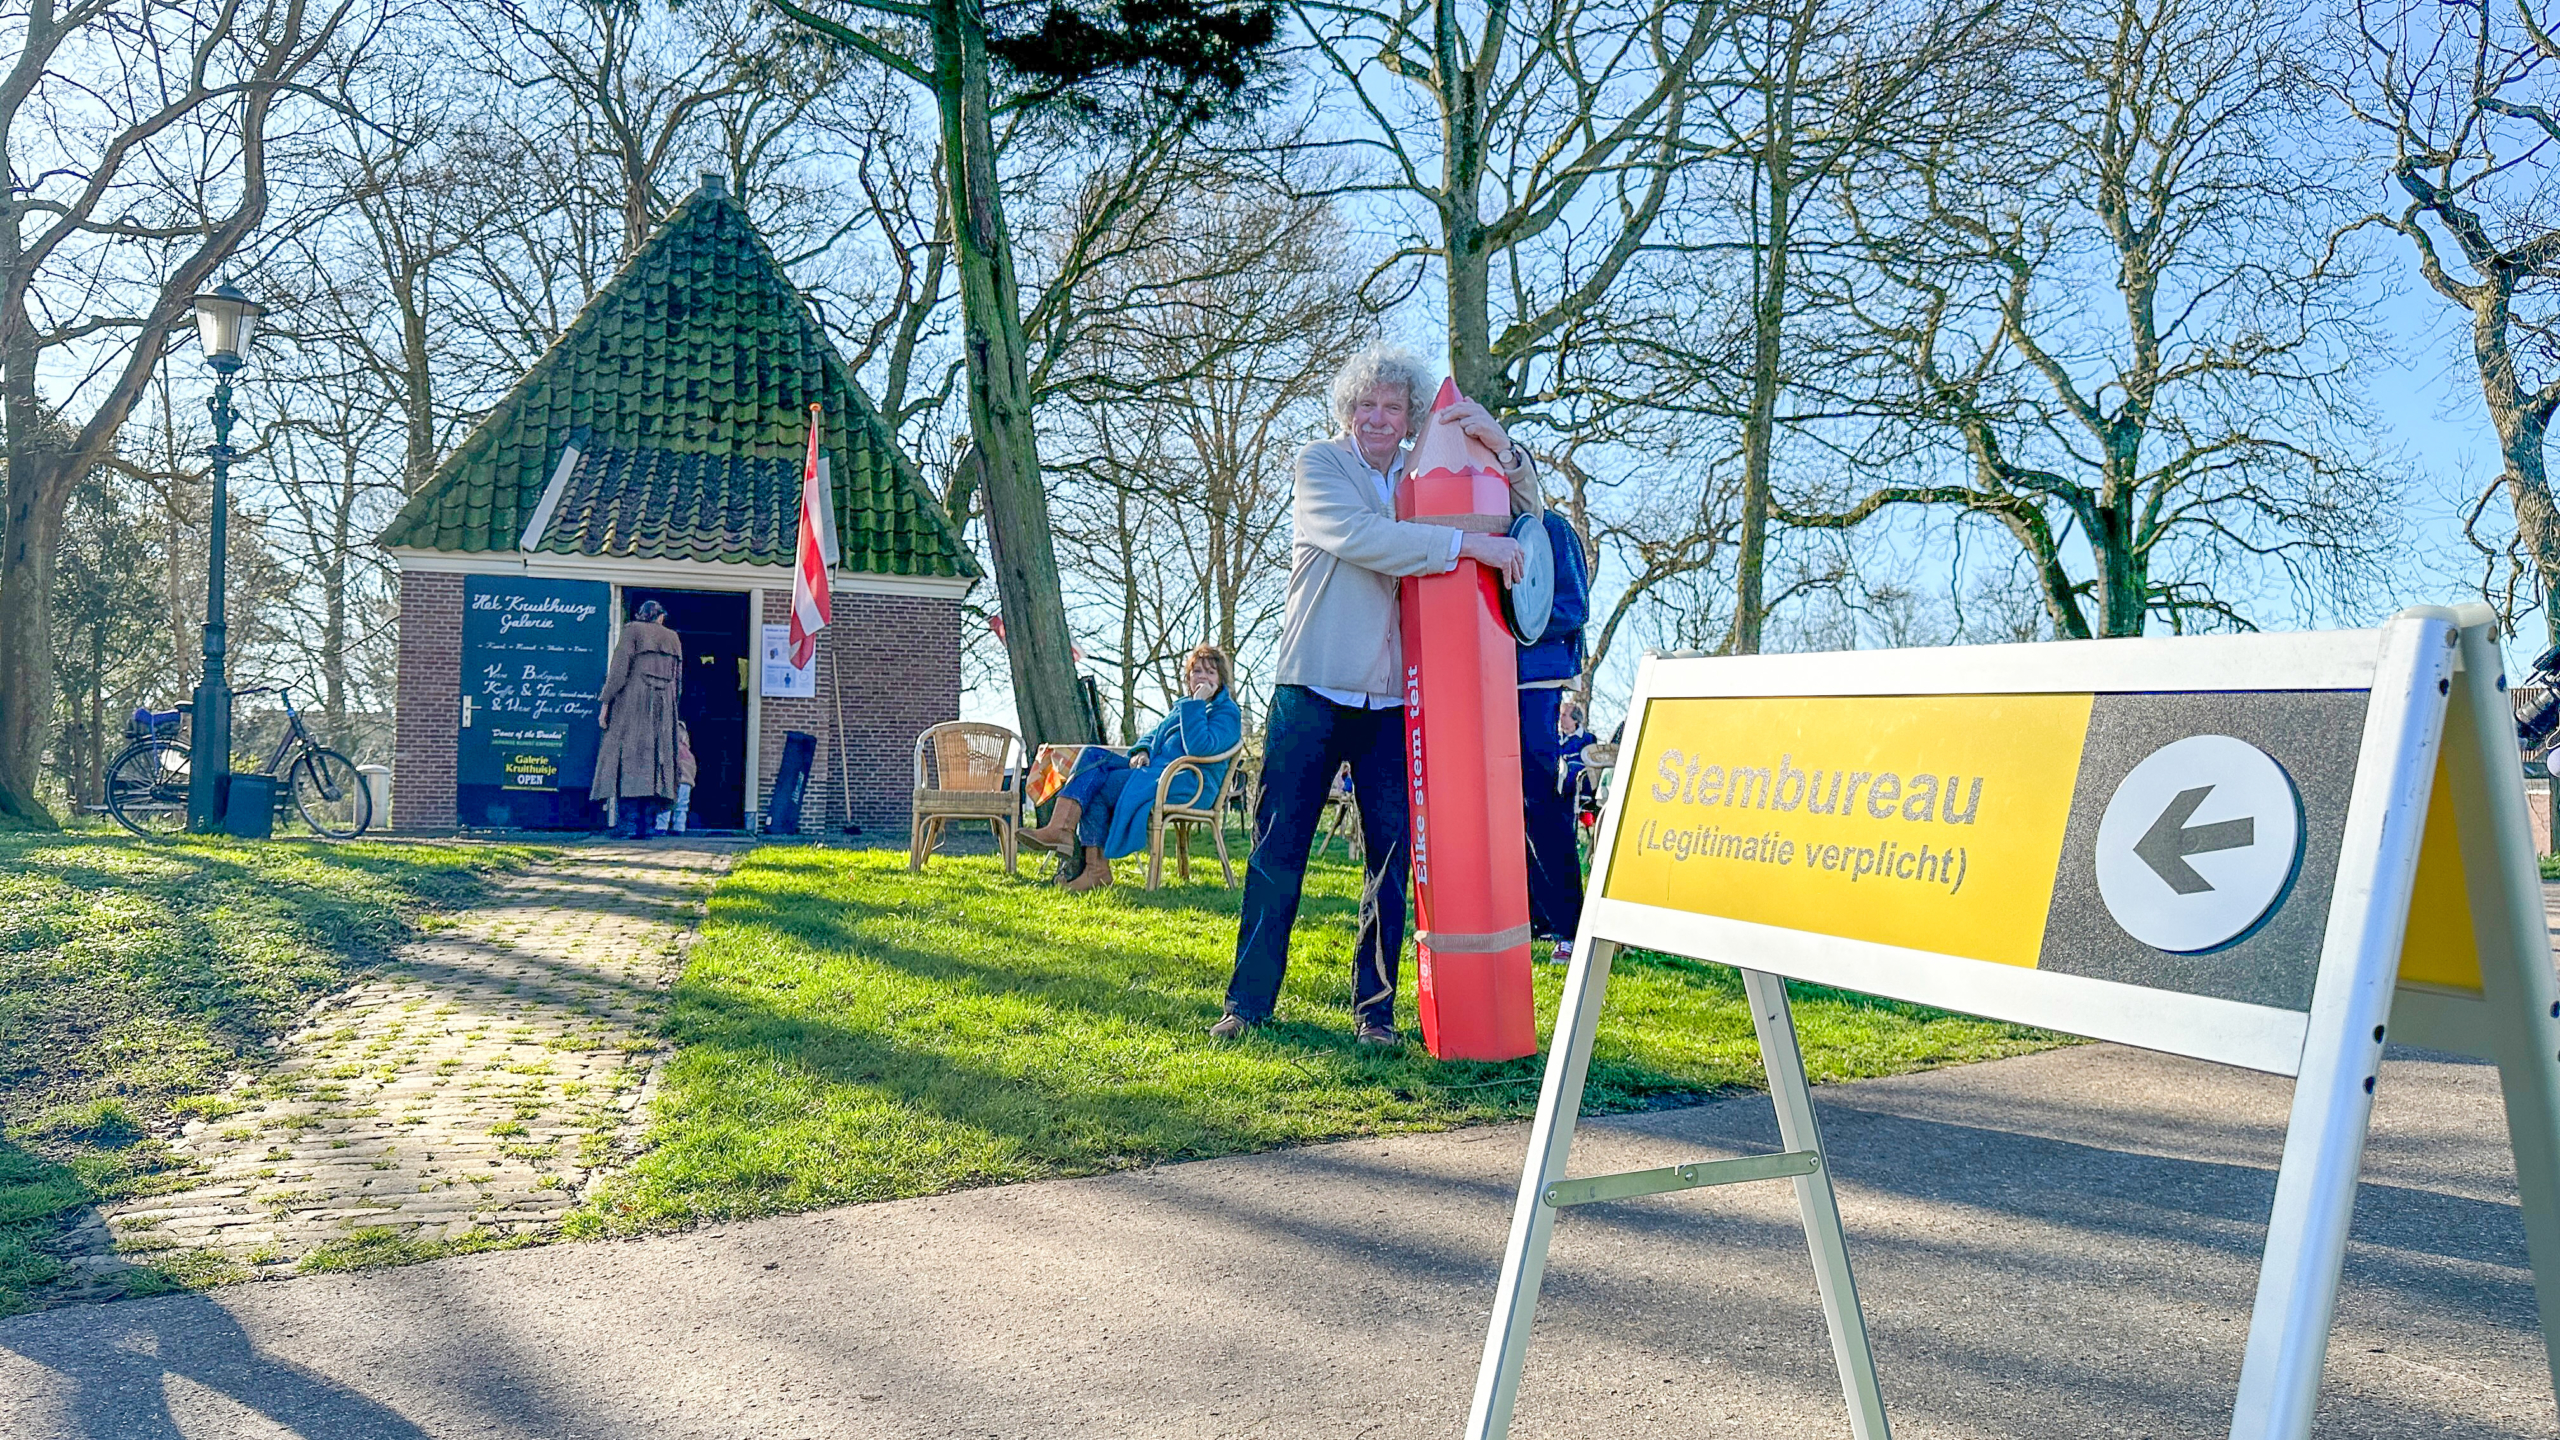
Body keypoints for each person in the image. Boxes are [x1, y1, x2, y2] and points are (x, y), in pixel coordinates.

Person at [1214, 343, 1539, 1047]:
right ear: (1348, 410)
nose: (1379, 418)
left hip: (1392, 700)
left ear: (1411, 415)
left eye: (1394, 407)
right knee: (1279, 852)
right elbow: (1364, 538)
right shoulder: (1320, 465)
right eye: (1368, 405)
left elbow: (1514, 512)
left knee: (1391, 859)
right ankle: (1247, 1004)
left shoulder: (1422, 474)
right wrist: (1465, 549)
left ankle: (1376, 1015)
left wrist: (1501, 448)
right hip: (1312, 685)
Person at [1022, 644, 1245, 892]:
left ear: (1221, 679)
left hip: (1187, 783)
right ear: (1188, 678)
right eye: (1196, 672)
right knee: (1092, 756)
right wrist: (1142, 750)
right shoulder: (1184, 706)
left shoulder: (1226, 713)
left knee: (1095, 785)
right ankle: (1074, 845)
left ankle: (1085, 857)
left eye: (1210, 672)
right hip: (1154, 774)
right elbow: (1154, 735)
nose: (1202, 677)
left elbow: (1199, 747)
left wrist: (1197, 705)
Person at [1519, 512, 1593, 963]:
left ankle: (1568, 924)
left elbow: (1573, 606)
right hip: (1476, 680)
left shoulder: (1550, 528)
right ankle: (1529, 917)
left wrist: (1509, 623)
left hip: (1533, 684)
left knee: (1541, 801)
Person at [593, 599, 684, 839]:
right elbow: (678, 680)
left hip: (631, 706)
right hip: (664, 709)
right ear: (660, 617)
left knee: (627, 760)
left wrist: (605, 703)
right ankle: (648, 827)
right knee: (659, 764)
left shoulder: (631, 630)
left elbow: (618, 671)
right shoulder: (673, 638)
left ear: (641, 615)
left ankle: (628, 826)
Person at [657, 722, 697, 834]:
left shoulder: (670, 750)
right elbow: (693, 769)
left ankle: (661, 827)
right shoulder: (689, 754)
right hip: (687, 782)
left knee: (666, 804)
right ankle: (679, 828)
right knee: (682, 806)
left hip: (672, 781)